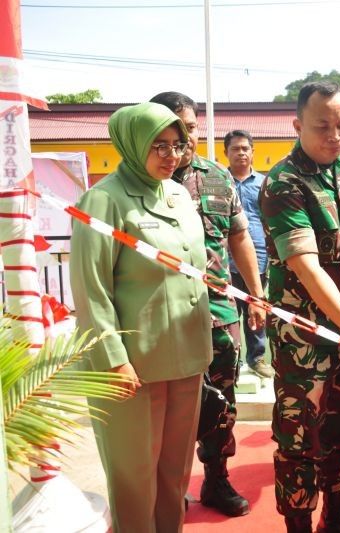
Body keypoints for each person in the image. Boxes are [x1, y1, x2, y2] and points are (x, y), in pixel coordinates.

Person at [70, 102, 212, 531]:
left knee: (174, 475)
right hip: (133, 367)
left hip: (185, 358)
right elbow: (90, 289)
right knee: (134, 479)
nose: (171, 156)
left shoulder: (180, 195)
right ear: (132, 146)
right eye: (158, 146)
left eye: (177, 145)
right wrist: (114, 358)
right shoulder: (104, 199)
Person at [259, 81, 340, 533]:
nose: (335, 135)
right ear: (297, 125)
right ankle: (300, 527)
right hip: (303, 340)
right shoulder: (283, 181)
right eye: (322, 126)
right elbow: (306, 265)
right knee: (299, 438)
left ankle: (336, 517)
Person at [150, 91, 266, 517]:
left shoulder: (217, 178)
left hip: (217, 315)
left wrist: (254, 292)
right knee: (164, 408)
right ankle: (169, 486)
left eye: (191, 128)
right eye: (173, 128)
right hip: (160, 321)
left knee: (220, 403)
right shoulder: (140, 182)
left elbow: (238, 237)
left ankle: (216, 480)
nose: (184, 138)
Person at [224, 129, 273, 379]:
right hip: (224, 263)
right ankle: (230, 361)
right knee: (229, 315)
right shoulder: (219, 183)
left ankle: (257, 359)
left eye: (245, 148)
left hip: (260, 260)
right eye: (235, 148)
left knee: (257, 312)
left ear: (253, 152)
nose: (241, 153)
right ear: (226, 153)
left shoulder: (265, 184)